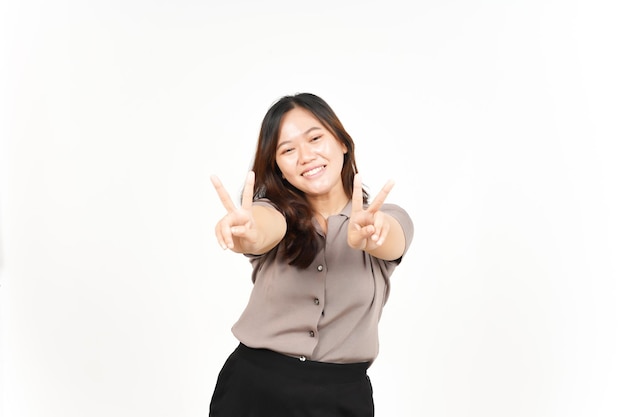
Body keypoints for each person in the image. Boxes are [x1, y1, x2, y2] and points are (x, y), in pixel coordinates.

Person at [208, 93, 413, 417]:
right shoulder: (273, 213)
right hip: (252, 389)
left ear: (342, 142)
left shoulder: (388, 217)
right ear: (278, 167)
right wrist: (248, 232)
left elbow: (392, 240)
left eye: (315, 138)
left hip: (342, 397)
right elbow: (262, 229)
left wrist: (374, 233)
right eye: (287, 149)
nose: (305, 155)